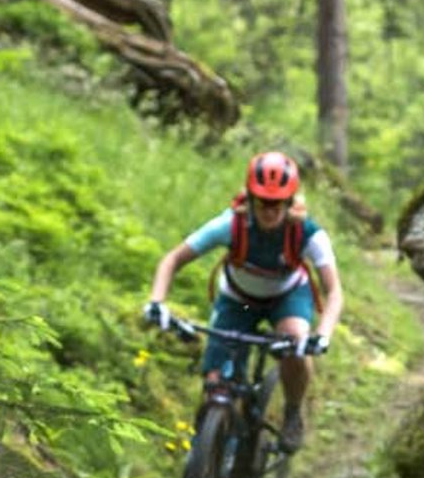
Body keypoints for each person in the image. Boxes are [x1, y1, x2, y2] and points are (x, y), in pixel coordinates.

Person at [146, 150, 343, 452]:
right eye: (263, 202)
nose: (269, 211)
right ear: (250, 198)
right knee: (215, 383)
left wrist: (323, 335)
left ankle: (292, 413)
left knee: (295, 345)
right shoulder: (229, 225)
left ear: (290, 203)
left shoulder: (309, 234)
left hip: (287, 297)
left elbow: (334, 291)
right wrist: (157, 301)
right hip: (239, 300)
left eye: (277, 204)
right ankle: (204, 464)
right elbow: (172, 260)